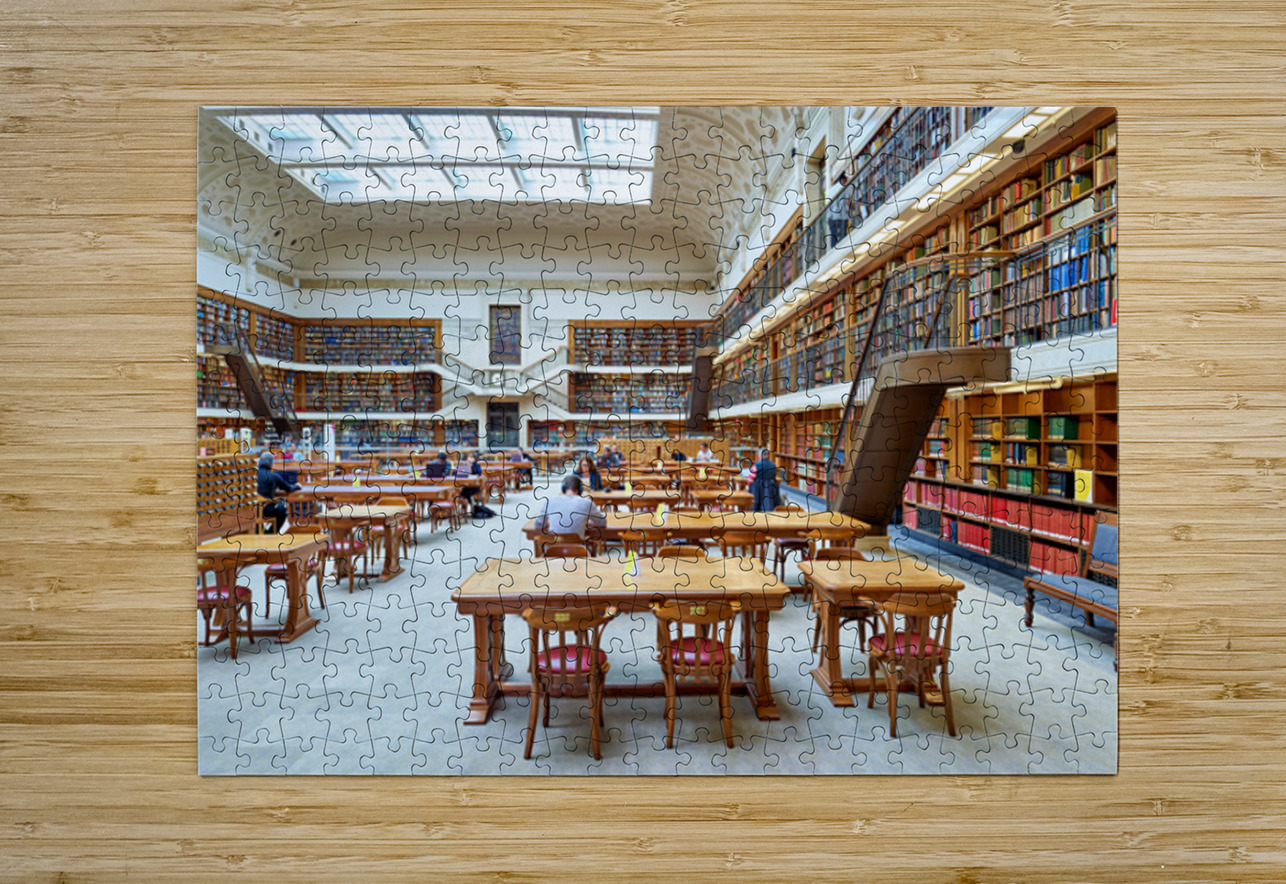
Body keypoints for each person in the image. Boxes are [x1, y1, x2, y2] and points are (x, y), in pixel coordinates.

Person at [537, 475, 607, 540]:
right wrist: (585, 521)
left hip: (554, 548)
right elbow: (603, 522)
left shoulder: (550, 501)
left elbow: (538, 524)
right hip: (578, 550)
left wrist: (551, 521)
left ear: (564, 488)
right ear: (580, 490)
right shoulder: (587, 502)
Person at [257, 451, 300, 534]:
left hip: (252, 509)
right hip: (266, 510)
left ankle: (260, 532)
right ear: (271, 464)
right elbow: (288, 488)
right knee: (282, 510)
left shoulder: (252, 474)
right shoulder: (273, 476)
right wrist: (297, 485)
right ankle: (270, 534)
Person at [748, 447, 782, 512]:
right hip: (770, 490)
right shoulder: (773, 465)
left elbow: (750, 480)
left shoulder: (756, 465)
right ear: (767, 455)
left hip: (758, 490)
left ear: (760, 455)